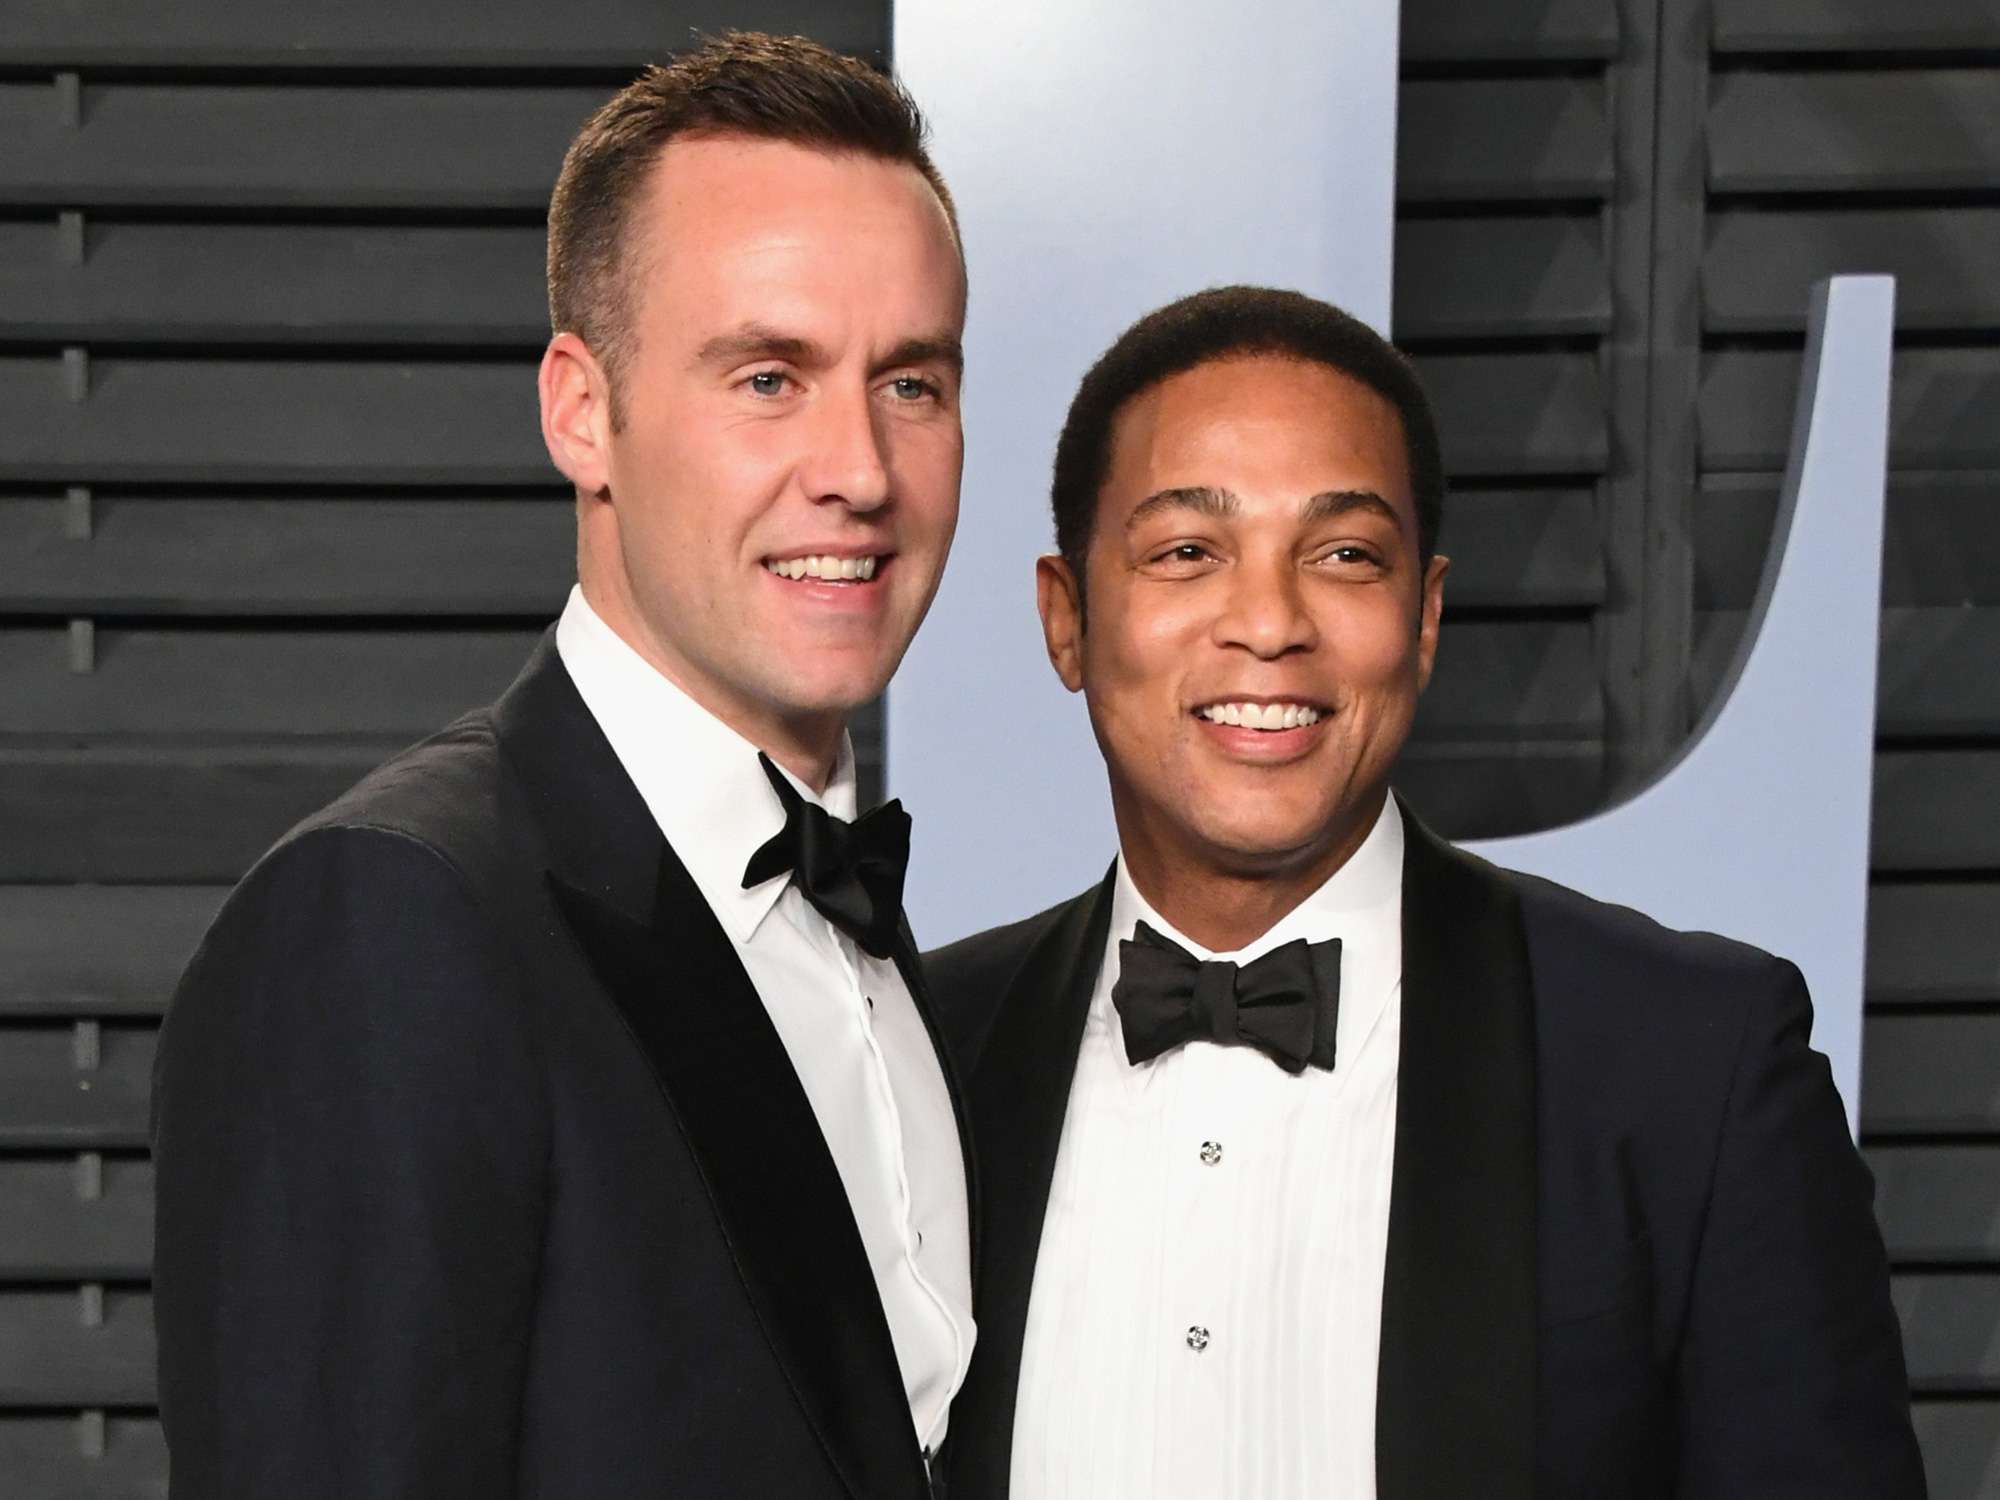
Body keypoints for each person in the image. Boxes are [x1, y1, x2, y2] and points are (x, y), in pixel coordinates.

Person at [930, 286, 1923, 1499]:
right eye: (1187, 552)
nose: (1267, 623)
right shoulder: (919, 1059)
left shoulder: (1690, 1070)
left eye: (1342, 556)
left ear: (1425, 618)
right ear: (1067, 618)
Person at [152, 33, 973, 1499]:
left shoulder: (883, 942)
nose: (858, 466)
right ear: (582, 413)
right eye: (770, 376)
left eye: (910, 382)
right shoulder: (393, 923)